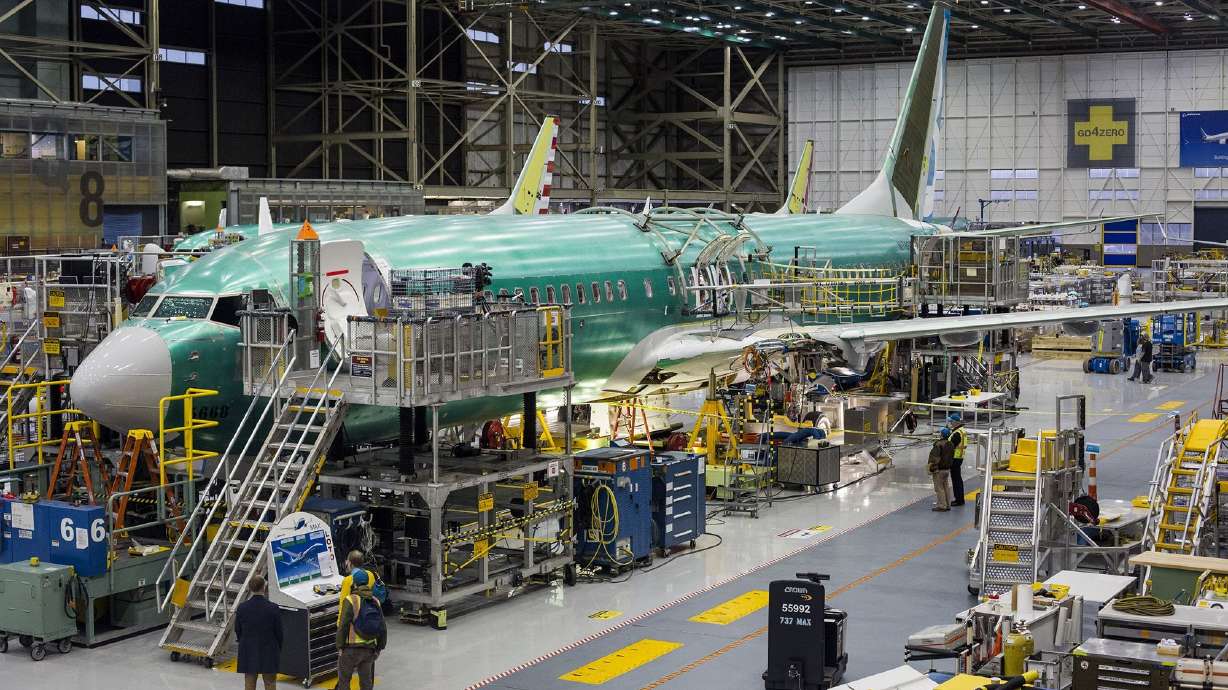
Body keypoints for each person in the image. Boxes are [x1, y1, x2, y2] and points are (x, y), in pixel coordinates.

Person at [336, 569, 387, 690]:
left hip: (350, 650)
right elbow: (382, 627)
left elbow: (343, 625)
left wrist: (340, 646)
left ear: (354, 583)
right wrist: (379, 647)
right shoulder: (375, 601)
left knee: (344, 682)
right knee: (366, 684)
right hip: (369, 649)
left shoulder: (351, 600)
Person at [234, 574, 283, 690]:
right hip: (269, 649)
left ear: (251, 589)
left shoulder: (242, 608)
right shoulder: (273, 608)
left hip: (249, 649)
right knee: (270, 682)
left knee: (249, 682)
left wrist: (245, 642)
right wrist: (277, 648)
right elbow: (279, 632)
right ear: (264, 588)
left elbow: (238, 629)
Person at [928, 430, 954, 511]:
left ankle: (942, 505)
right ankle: (948, 504)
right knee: (946, 487)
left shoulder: (938, 444)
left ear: (941, 435)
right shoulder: (951, 444)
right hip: (947, 469)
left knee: (939, 488)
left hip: (939, 470)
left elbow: (934, 458)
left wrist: (931, 467)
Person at [947, 413, 967, 506]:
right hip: (959, 458)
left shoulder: (957, 433)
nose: (950, 423)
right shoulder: (961, 430)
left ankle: (958, 499)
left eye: (951, 421)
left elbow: (950, 446)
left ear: (956, 422)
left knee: (956, 480)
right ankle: (960, 498)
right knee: (958, 479)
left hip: (955, 458)